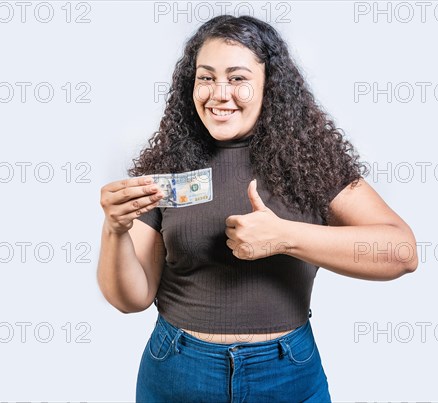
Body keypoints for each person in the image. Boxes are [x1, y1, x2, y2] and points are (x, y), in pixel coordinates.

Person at [97, 14, 418, 403]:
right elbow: (131, 299)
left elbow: (401, 252)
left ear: (270, 85)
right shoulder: (168, 166)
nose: (218, 93)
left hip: (286, 372)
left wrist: (286, 237)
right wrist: (114, 229)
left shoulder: (312, 161)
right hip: (179, 369)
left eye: (237, 78)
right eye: (206, 77)